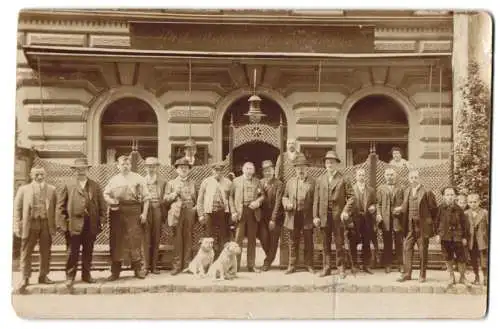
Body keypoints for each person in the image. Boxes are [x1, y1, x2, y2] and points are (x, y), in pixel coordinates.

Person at [57, 158, 106, 288]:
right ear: (74, 171)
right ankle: (70, 277)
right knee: (72, 252)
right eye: (78, 169)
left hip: (91, 225)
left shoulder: (95, 185)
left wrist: (101, 221)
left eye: (83, 169)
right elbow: (60, 207)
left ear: (88, 170)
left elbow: (102, 205)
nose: (81, 171)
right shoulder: (68, 184)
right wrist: (63, 225)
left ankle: (86, 275)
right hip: (73, 225)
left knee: (88, 252)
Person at [103, 155, 150, 281]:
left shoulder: (138, 178)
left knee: (134, 240)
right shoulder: (113, 180)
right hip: (117, 212)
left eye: (127, 164)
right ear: (118, 166)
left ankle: (137, 269)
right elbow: (105, 194)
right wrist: (112, 201)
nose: (125, 166)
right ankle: (115, 272)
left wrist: (144, 214)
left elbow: (146, 198)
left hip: (134, 211)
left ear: (130, 165)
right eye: (122, 164)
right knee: (117, 241)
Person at [14, 166, 57, 291]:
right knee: (26, 251)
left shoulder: (51, 190)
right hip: (30, 223)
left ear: (45, 175)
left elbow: (55, 208)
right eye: (36, 174)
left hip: (45, 223)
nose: (39, 177)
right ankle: (25, 277)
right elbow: (17, 209)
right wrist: (16, 225)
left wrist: (55, 225)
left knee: (46, 251)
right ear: (31, 175)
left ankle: (43, 276)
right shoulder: (23, 189)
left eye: (42, 174)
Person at [313, 151, 353, 278]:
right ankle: (326, 268)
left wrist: (346, 210)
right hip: (324, 216)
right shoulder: (320, 179)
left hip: (338, 217)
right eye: (327, 162)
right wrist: (315, 216)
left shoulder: (343, 179)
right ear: (325, 164)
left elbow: (352, 197)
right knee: (325, 243)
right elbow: (316, 200)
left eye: (332, 162)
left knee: (339, 243)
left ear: (336, 164)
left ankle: (341, 268)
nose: (329, 164)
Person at [395, 170, 438, 283]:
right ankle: (407, 274)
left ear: (419, 178)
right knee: (407, 248)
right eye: (411, 178)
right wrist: (399, 209)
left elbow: (434, 210)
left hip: (422, 226)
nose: (413, 179)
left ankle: (422, 275)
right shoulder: (407, 190)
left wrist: (430, 224)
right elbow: (405, 206)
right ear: (409, 179)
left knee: (422, 250)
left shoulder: (427, 192)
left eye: (415, 177)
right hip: (410, 225)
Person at [283, 154, 316, 275]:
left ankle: (309, 265)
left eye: (303, 167)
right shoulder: (290, 182)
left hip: (307, 216)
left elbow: (316, 200)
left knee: (308, 242)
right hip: (293, 216)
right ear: (295, 169)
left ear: (307, 168)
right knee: (293, 241)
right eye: (298, 168)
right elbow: (285, 197)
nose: (300, 170)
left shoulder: (313, 182)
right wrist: (287, 204)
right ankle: (292, 265)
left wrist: (315, 216)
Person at [230, 162, 265, 272]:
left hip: (252, 212)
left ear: (254, 171)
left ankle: (251, 265)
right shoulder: (236, 181)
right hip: (240, 211)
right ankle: (236, 266)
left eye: (251, 169)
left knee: (252, 240)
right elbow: (230, 197)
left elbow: (262, 195)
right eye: (247, 168)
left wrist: (257, 202)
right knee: (238, 239)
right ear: (243, 169)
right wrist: (233, 211)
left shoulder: (257, 181)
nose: (249, 171)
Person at [165, 158, 197, 275]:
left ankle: (187, 265)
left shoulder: (193, 183)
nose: (183, 169)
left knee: (188, 238)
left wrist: (194, 209)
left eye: (186, 168)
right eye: (181, 167)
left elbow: (196, 199)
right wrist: (174, 194)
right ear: (177, 169)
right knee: (177, 239)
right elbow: (165, 199)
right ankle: (177, 266)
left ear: (189, 170)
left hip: (189, 211)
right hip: (177, 212)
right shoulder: (171, 183)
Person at [197, 162, 232, 258]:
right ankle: (209, 260)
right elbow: (200, 199)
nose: (218, 172)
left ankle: (221, 259)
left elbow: (231, 199)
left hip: (223, 213)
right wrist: (200, 214)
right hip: (209, 212)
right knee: (208, 237)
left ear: (223, 171)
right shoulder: (206, 182)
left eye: (220, 170)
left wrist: (232, 213)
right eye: (216, 170)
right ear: (212, 171)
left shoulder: (228, 183)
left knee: (223, 237)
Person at [435, 187, 468, 287]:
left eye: (452, 195)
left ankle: (462, 277)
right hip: (445, 237)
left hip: (457, 237)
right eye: (447, 195)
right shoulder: (440, 208)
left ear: (455, 196)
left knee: (461, 257)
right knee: (447, 256)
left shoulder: (459, 209)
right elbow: (436, 222)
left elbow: (464, 224)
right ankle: (451, 277)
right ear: (444, 196)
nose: (450, 197)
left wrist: (464, 237)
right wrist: (437, 234)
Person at [376, 168, 405, 273]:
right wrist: (379, 214)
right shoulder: (381, 188)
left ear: (395, 176)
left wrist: (401, 208)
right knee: (387, 243)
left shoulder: (401, 188)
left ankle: (401, 264)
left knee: (399, 242)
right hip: (386, 219)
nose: (390, 176)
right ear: (384, 176)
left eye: (392, 174)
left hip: (398, 219)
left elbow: (405, 203)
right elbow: (378, 204)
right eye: (388, 174)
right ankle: (387, 264)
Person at [349, 168, 377, 274]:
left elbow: (375, 202)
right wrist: (349, 220)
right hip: (354, 219)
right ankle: (354, 265)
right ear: (356, 176)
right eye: (359, 175)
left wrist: (373, 207)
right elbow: (347, 205)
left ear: (365, 177)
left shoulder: (370, 190)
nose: (361, 177)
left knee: (366, 242)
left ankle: (366, 265)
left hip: (366, 220)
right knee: (353, 242)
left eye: (363, 175)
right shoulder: (351, 189)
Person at [142, 157, 166, 275]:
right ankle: (145, 266)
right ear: (145, 168)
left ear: (157, 168)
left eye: (153, 166)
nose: (151, 168)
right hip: (146, 210)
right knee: (145, 239)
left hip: (157, 209)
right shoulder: (141, 181)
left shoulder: (162, 182)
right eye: (149, 166)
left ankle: (154, 266)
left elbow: (165, 199)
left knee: (156, 238)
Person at [259, 160, 284, 271]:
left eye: (269, 170)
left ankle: (267, 262)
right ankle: (270, 257)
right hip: (263, 217)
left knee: (273, 241)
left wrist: (273, 219)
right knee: (263, 238)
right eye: (265, 171)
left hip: (276, 216)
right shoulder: (260, 182)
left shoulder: (279, 184)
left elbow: (278, 202)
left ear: (273, 170)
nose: (267, 172)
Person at [465, 193, 488, 286]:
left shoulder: (485, 212)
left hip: (482, 240)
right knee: (473, 260)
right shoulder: (466, 213)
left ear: (479, 202)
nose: (473, 204)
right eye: (470, 202)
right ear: (468, 203)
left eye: (475, 202)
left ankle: (486, 277)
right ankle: (476, 277)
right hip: (471, 240)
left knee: (484, 260)